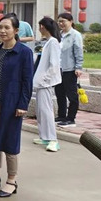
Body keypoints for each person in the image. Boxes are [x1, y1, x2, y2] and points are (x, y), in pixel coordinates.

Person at [0, 13, 33, 198]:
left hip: (12, 103)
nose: (2, 31)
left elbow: (27, 81)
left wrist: (23, 104)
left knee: (10, 140)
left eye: (7, 28)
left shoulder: (24, 53)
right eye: (0, 27)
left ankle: (12, 180)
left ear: (16, 30)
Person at [33, 17, 62, 152]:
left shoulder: (53, 42)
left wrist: (45, 79)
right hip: (41, 82)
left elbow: (54, 64)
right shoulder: (48, 42)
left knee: (46, 110)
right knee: (40, 110)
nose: (39, 29)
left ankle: (53, 139)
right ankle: (44, 136)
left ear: (43, 27)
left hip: (46, 82)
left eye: (40, 26)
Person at [55, 12, 83, 128]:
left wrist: (78, 67)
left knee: (71, 95)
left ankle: (71, 118)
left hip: (70, 69)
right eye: (59, 21)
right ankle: (61, 115)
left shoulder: (75, 35)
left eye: (63, 21)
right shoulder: (59, 34)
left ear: (71, 22)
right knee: (59, 93)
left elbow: (78, 51)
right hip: (59, 69)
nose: (61, 23)